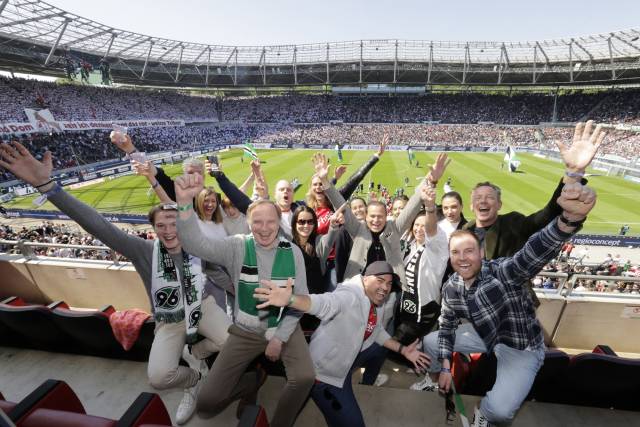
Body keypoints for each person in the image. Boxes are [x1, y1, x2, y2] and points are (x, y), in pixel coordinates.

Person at [0, 141, 231, 425]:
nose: (169, 231)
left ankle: (196, 352)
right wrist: (47, 186)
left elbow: (221, 276)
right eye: (161, 226)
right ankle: (193, 380)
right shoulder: (143, 250)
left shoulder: (198, 244)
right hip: (169, 318)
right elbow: (98, 225)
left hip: (203, 307)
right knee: (159, 378)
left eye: (174, 224)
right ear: (154, 230)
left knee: (231, 341)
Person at [421, 181, 597, 427]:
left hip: (519, 346)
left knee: (500, 412)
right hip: (483, 335)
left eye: (469, 251)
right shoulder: (452, 287)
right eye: (455, 253)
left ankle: (484, 414)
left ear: (481, 253)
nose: (462, 259)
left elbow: (534, 251)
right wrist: (444, 368)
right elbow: (447, 326)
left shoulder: (504, 271)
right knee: (431, 342)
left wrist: (568, 221)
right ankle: (431, 380)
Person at [173, 173, 314, 427]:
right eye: (257, 222)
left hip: (283, 326)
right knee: (206, 403)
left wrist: (279, 338)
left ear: (279, 223)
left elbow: (300, 299)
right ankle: (251, 382)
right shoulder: (236, 246)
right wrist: (184, 204)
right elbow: (195, 245)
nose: (264, 228)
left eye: (270, 222)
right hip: (246, 329)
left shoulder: (293, 252)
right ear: (248, 223)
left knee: (305, 378)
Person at [253, 261, 430, 427]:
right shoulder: (349, 296)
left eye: (389, 283)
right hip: (324, 375)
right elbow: (324, 303)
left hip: (347, 361)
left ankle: (366, 383)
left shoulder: (377, 301)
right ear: (365, 278)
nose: (385, 287)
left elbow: (377, 331)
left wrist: (403, 350)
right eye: (380, 280)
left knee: (378, 349)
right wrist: (291, 299)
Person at [394, 187, 449, 351]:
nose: (419, 229)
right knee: (403, 346)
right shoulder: (410, 245)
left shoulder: (436, 248)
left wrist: (430, 207)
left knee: (408, 346)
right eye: (416, 225)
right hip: (406, 305)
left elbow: (432, 232)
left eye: (424, 225)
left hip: (424, 308)